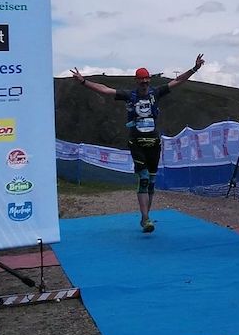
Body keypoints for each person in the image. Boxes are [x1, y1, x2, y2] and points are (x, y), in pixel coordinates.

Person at [71, 54, 205, 233]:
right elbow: (105, 90)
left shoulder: (155, 93)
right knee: (143, 179)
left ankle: (146, 218)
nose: (144, 83)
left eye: (147, 80)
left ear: (149, 80)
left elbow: (177, 82)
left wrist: (194, 68)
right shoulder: (129, 95)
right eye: (141, 81)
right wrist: (83, 82)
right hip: (136, 141)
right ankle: (145, 217)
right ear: (136, 81)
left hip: (154, 142)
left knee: (151, 181)